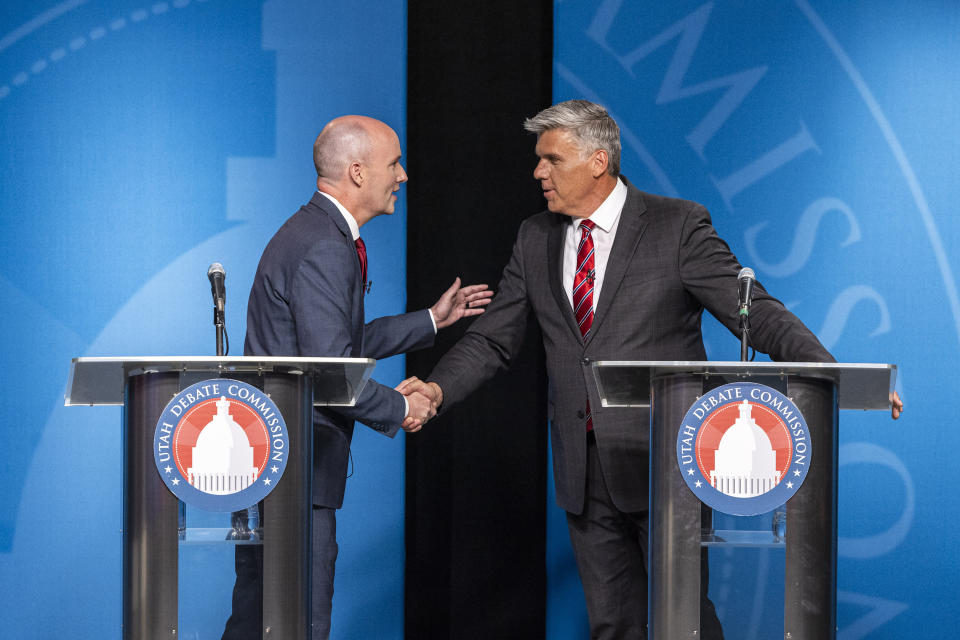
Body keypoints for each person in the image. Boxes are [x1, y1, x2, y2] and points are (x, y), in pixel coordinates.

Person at [398, 100, 903, 639]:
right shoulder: (535, 236)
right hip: (583, 467)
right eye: (539, 160)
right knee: (612, 624)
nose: (537, 172)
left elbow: (754, 313)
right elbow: (494, 338)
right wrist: (435, 388)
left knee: (683, 620)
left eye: (551, 159)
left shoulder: (677, 225)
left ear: (598, 161)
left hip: (666, 461)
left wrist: (833, 373)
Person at [228, 115, 492, 640]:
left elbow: (335, 346)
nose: (404, 175)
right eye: (394, 163)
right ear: (356, 172)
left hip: (275, 467)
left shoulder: (315, 232)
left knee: (256, 622)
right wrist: (402, 408)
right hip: (292, 472)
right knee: (296, 624)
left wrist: (433, 320)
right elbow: (329, 372)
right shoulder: (325, 244)